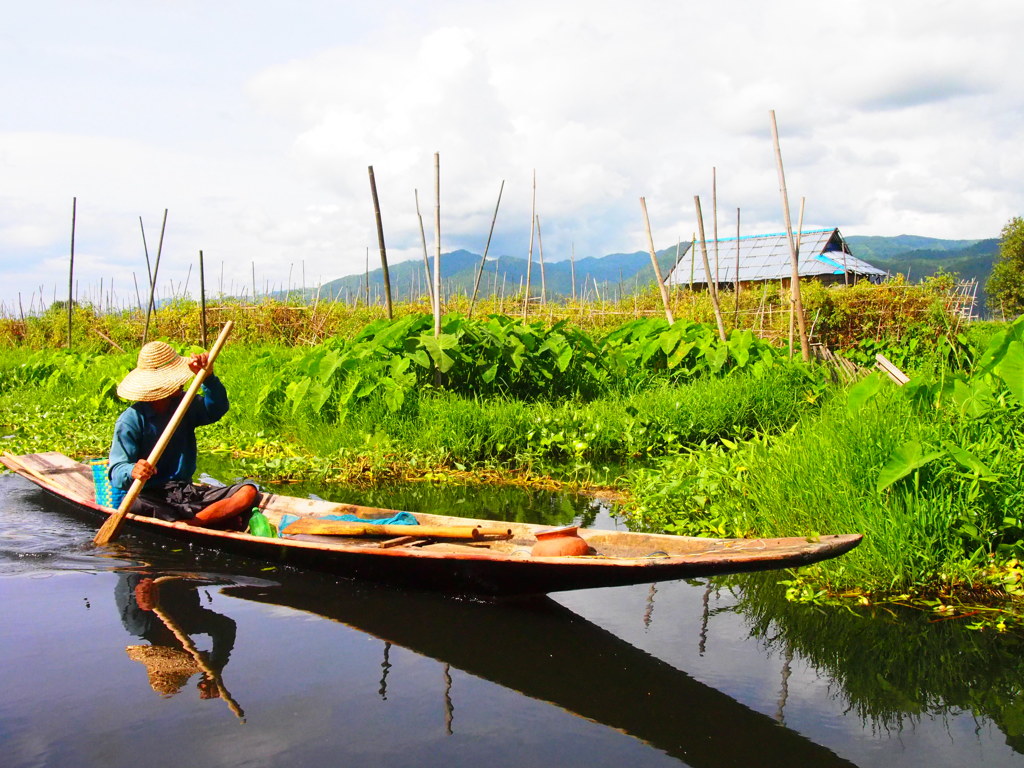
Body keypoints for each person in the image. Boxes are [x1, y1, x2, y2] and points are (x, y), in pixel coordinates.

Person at [108, 340, 259, 529]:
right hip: (151, 496)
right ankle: (211, 519)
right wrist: (133, 470)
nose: (181, 382)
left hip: (185, 491)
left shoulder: (185, 403)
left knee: (248, 492)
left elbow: (216, 409)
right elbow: (116, 471)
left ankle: (192, 524)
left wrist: (208, 378)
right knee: (137, 505)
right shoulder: (131, 420)